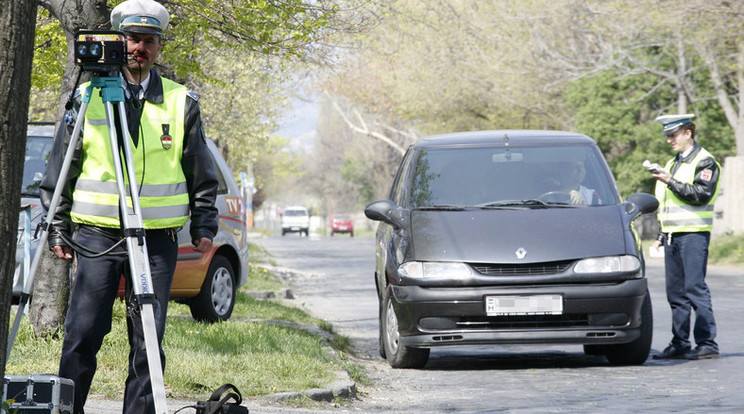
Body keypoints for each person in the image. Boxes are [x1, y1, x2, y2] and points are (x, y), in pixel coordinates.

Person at [39, 0, 218, 412]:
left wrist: (204, 225)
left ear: (159, 47)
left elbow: (200, 170)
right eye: (134, 39)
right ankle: (68, 408)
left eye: (149, 41)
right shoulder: (88, 96)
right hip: (97, 235)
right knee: (83, 331)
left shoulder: (180, 101)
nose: (140, 48)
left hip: (156, 241)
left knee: (148, 340)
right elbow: (62, 166)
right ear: (121, 42)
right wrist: (56, 224)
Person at [649, 113, 721, 360]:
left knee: (694, 288)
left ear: (688, 133)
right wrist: (660, 234)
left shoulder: (706, 162)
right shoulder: (672, 163)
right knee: (676, 293)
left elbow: (700, 194)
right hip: (672, 235)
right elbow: (667, 204)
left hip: (694, 234)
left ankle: (707, 344)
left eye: (673, 135)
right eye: (667, 136)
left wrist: (670, 181)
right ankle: (680, 342)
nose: (669, 140)